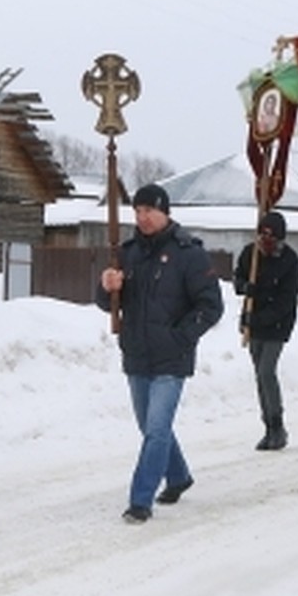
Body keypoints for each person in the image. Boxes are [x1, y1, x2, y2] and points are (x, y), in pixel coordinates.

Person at [98, 184, 223, 523]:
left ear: (165, 211)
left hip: (172, 358)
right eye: (137, 212)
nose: (143, 218)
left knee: (156, 428)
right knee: (151, 426)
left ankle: (141, 500)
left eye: (149, 211)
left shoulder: (189, 253)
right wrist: (107, 287)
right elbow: (108, 302)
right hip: (137, 354)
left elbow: (211, 306)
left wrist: (181, 338)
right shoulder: (128, 253)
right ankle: (179, 475)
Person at [233, 210, 298, 450]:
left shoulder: (290, 261)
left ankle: (277, 424)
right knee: (259, 376)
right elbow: (238, 280)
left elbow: (286, 301)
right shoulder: (250, 254)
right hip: (253, 324)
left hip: (277, 325)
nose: (265, 240)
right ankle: (268, 427)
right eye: (262, 234)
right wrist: (245, 287)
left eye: (271, 236)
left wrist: (259, 319)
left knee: (266, 372)